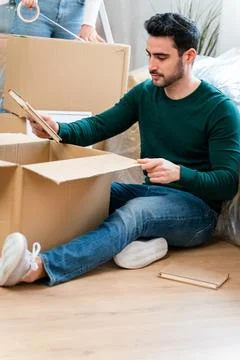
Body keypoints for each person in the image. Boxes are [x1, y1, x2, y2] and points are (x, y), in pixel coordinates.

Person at [1, 12, 240, 287]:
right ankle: (146, 243)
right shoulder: (145, 93)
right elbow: (100, 125)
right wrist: (58, 130)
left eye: (161, 58)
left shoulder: (220, 109)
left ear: (189, 56)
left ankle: (38, 266)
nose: (151, 65)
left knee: (136, 213)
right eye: (149, 55)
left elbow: (227, 183)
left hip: (197, 212)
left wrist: (180, 173)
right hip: (152, 194)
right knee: (89, 190)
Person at [10, 0, 105, 42]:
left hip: (75, 12)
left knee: (70, 71)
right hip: (34, 8)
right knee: (25, 65)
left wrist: (89, 23)